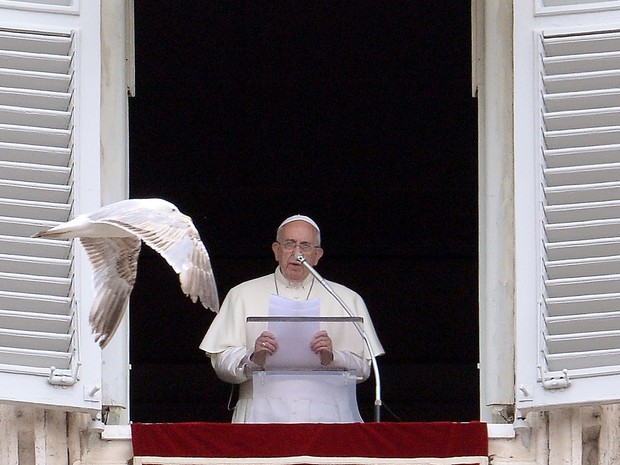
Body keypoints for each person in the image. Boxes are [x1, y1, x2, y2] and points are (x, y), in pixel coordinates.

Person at [200, 214, 384, 423]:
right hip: (259, 416)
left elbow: (364, 369)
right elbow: (221, 362)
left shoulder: (346, 298)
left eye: (305, 246)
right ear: (276, 250)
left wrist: (332, 357)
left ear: (317, 255)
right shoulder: (241, 294)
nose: (297, 253)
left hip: (330, 417)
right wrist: (253, 357)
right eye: (289, 244)